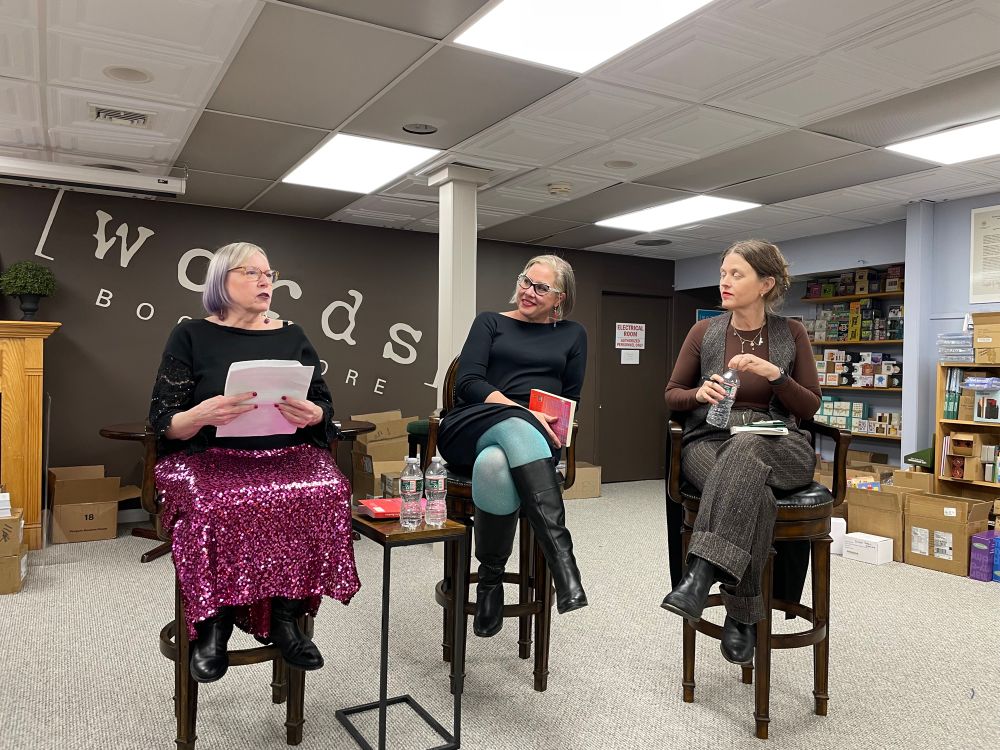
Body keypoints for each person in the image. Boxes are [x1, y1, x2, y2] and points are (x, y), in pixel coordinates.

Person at [148, 241, 360, 683]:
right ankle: (213, 624)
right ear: (221, 281)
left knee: (328, 488)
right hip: (210, 456)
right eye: (252, 273)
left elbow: (322, 404)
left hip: (284, 454)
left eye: (270, 274)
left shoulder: (292, 333)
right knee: (214, 503)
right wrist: (201, 414)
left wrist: (316, 414)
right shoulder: (190, 334)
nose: (266, 282)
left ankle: (285, 617)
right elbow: (164, 421)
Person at [660, 239, 821, 666]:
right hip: (710, 440)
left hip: (781, 444)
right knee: (754, 492)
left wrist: (778, 377)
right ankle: (743, 614)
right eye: (723, 273)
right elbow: (672, 395)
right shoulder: (704, 332)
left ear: (765, 283)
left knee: (749, 446)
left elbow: (809, 406)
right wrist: (699, 392)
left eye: (737, 274)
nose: (725, 282)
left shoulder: (792, 333)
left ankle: (701, 574)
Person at [437, 255, 588, 638]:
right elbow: (467, 384)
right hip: (473, 424)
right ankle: (564, 565)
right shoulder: (490, 321)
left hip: (533, 441)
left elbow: (571, 399)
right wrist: (523, 413)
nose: (528, 291)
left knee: (494, 465)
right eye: (525, 281)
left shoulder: (574, 335)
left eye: (541, 287)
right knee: (512, 431)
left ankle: (490, 581)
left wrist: (544, 420)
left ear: (560, 298)